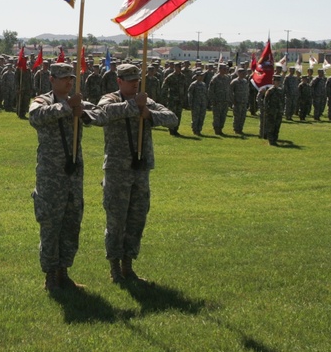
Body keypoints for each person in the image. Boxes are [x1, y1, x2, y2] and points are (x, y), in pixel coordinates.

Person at [90, 63, 177, 283]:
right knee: (116, 220)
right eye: (130, 80)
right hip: (118, 169)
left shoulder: (145, 101)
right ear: (119, 81)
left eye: (137, 79)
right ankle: (115, 268)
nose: (135, 83)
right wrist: (132, 107)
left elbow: (172, 118)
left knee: (137, 218)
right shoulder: (110, 99)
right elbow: (100, 115)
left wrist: (147, 113)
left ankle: (128, 265)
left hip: (140, 168)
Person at [29, 62, 96, 291]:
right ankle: (50, 276)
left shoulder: (77, 100)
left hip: (73, 174)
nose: (69, 81)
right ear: (51, 79)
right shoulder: (43, 101)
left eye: (71, 77)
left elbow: (97, 114)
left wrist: (83, 112)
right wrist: (67, 107)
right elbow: (36, 116)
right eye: (63, 77)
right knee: (51, 224)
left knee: (71, 224)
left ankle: (63, 272)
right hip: (51, 175)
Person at [207, 63, 231, 134]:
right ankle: (217, 129)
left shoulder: (227, 78)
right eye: (224, 69)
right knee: (217, 116)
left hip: (225, 100)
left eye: (226, 69)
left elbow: (228, 89)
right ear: (220, 69)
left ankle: (221, 128)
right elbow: (210, 90)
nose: (225, 70)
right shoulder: (215, 78)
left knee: (223, 116)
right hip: (217, 101)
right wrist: (212, 100)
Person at [261, 76, 285, 145]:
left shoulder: (280, 90)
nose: (278, 82)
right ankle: (271, 140)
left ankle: (275, 139)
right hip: (271, 111)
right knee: (271, 126)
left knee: (277, 126)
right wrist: (267, 110)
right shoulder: (270, 90)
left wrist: (282, 109)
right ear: (273, 81)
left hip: (279, 111)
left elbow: (283, 101)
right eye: (276, 81)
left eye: (279, 81)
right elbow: (266, 101)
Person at [230, 67, 250, 135]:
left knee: (243, 116)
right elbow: (230, 92)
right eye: (242, 73)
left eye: (244, 73)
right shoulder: (234, 81)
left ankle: (240, 129)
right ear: (238, 73)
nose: (244, 74)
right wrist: (233, 101)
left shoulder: (245, 81)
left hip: (244, 102)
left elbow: (247, 91)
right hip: (237, 102)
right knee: (237, 116)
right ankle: (236, 129)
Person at [187, 70, 208, 136]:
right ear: (196, 76)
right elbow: (190, 94)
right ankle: (195, 129)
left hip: (203, 103)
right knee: (195, 117)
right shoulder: (193, 84)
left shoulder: (204, 84)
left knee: (201, 117)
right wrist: (190, 103)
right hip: (196, 104)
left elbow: (205, 94)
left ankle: (199, 129)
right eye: (200, 76)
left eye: (202, 76)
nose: (202, 77)